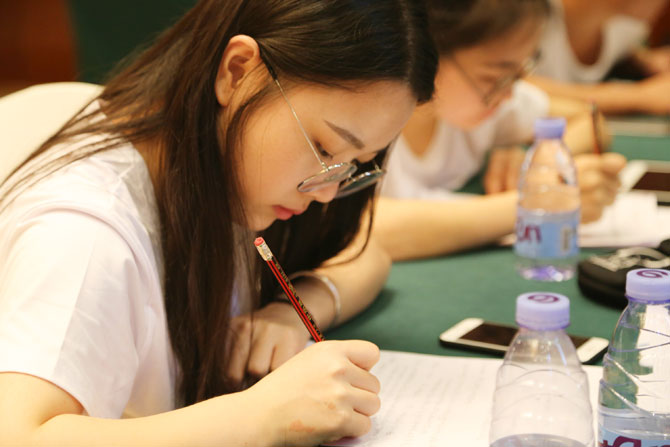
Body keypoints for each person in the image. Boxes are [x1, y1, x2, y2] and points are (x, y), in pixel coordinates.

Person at [0, 1, 437, 445]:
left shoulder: (226, 175)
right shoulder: (87, 232)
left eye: (354, 165)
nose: (326, 192)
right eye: (324, 148)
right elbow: (20, 435)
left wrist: (288, 314)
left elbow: (365, 253)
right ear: (237, 71)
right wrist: (263, 414)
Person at [373, 0, 626, 261]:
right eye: (493, 77)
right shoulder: (372, 121)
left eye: (520, 72)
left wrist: (544, 161)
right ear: (425, 54)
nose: (508, 95)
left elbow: (590, 120)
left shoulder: (488, 103)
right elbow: (365, 229)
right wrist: (536, 201)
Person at [529, 0, 670, 115]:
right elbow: (520, 87)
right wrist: (639, 97)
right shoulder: (526, 10)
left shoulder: (629, 27)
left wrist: (644, 61)